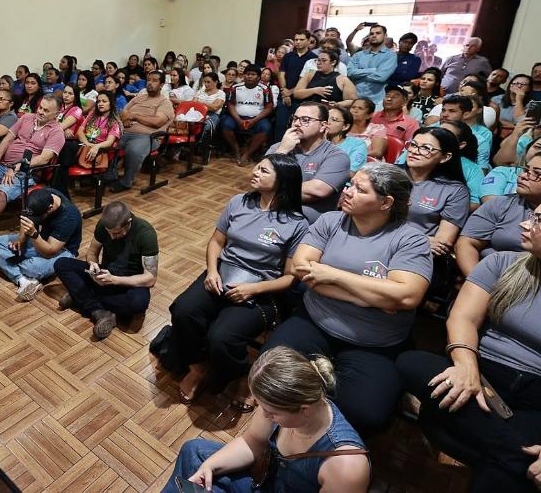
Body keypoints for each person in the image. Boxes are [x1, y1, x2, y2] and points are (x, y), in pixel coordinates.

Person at [262, 163, 433, 434]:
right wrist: (373, 297)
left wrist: (332, 275)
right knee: (270, 368)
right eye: (350, 185)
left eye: (360, 190)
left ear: (386, 202)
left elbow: (406, 296)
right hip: (315, 320)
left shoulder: (410, 239)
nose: (348, 192)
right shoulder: (331, 221)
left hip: (375, 342)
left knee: (366, 414)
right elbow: (302, 270)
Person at [397, 210, 541, 493]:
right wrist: (466, 365)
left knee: (499, 475)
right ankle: (520, 457)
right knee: (411, 363)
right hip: (484, 375)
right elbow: (463, 317)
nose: (524, 223)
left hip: (536, 395)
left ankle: (510, 455)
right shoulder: (502, 263)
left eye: (538, 220)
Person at [153, 154, 308, 403]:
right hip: (223, 273)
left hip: (261, 288)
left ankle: (241, 374)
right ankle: (197, 367)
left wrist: (253, 289)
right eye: (258, 167)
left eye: (264, 171)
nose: (255, 172)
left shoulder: (296, 224)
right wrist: (212, 271)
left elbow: (290, 278)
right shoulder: (239, 202)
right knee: (184, 310)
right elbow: (216, 242)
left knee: (222, 336)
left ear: (283, 181)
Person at [163, 347, 369, 493]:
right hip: (264, 480)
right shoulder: (285, 406)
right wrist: (210, 467)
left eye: (271, 412)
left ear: (304, 409)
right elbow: (252, 441)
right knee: (194, 452)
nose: (264, 414)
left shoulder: (346, 467)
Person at [0, 94, 64, 252]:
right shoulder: (26, 118)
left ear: (57, 114)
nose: (41, 112)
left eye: (46, 110)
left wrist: (16, 167)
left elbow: (44, 158)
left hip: (27, 172)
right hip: (3, 165)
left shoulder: (57, 132)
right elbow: (7, 140)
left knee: (2, 194)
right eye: (40, 107)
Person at [54, 201, 159, 340]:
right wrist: (93, 265)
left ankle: (81, 297)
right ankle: (99, 310)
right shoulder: (103, 225)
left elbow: (150, 278)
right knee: (61, 264)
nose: (112, 237)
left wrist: (115, 280)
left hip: (129, 283)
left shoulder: (146, 234)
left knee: (138, 303)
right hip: (105, 274)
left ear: (128, 222)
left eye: (117, 233)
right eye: (109, 233)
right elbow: (92, 252)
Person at [0, 187, 82, 301]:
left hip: (62, 250)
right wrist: (21, 240)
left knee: (30, 268)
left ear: (50, 209)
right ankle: (23, 280)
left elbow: (50, 251)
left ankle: (3, 258)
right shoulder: (39, 196)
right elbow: (27, 221)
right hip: (41, 239)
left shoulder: (69, 216)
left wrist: (34, 234)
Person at [455, 154, 541, 277]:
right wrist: (478, 281)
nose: (523, 176)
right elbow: (466, 244)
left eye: (537, 174)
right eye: (526, 170)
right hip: (491, 277)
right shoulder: (500, 204)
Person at [266, 102, 351, 224]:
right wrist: (282, 151)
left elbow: (317, 191)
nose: (296, 123)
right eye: (295, 118)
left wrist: (271, 189)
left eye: (305, 120)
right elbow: (260, 177)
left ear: (323, 126)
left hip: (308, 222)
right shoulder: (279, 148)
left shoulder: (337, 156)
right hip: (271, 211)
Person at [403, 128, 470, 258]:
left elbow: (441, 243)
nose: (414, 151)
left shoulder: (455, 190)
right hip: (378, 242)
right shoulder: (388, 174)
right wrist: (422, 240)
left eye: (426, 148)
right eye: (413, 144)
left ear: (445, 157)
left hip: (417, 255)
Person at [109, 70, 174, 191]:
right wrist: (125, 118)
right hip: (124, 131)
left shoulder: (165, 103)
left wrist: (135, 116)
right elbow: (124, 111)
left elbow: (157, 122)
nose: (150, 83)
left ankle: (126, 181)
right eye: (148, 80)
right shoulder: (139, 98)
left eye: (154, 81)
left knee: (134, 150)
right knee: (106, 142)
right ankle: (109, 174)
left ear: (161, 85)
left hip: (148, 137)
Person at [222, 66, 274, 166]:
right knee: (225, 124)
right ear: (243, 75)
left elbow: (269, 107)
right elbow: (230, 105)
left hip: (257, 118)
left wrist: (253, 120)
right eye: (247, 74)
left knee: (266, 127)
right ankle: (236, 151)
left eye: (253, 74)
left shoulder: (265, 89)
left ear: (258, 77)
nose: (249, 76)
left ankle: (247, 154)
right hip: (237, 117)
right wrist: (238, 120)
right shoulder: (235, 87)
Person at [347, 23, 397, 107]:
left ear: (385, 36)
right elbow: (350, 73)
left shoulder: (390, 55)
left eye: (378, 33)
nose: (374, 35)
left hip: (376, 101)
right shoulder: (358, 55)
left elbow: (381, 77)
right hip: (355, 99)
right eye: (371, 33)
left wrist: (358, 76)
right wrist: (373, 70)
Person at [483, 133, 541, 201]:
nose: (539, 152)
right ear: (527, 149)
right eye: (538, 147)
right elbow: (492, 204)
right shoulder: (502, 172)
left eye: (537, 172)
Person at [292, 50, 356, 107]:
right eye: (318, 60)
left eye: (324, 60)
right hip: (309, 109)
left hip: (331, 112)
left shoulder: (343, 80)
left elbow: (352, 101)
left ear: (333, 62)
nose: (319, 63)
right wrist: (314, 90)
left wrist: (337, 104)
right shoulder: (310, 74)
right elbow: (296, 94)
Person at [76, 92, 121, 166]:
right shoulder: (92, 115)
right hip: (84, 144)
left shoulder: (114, 122)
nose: (100, 104)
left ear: (111, 103)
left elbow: (110, 142)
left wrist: (97, 146)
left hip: (99, 149)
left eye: (104, 101)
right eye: (99, 101)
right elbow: (80, 131)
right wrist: (87, 143)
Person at [326, 105, 367, 176]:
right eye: (326, 118)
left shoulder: (357, 144)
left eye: (334, 120)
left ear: (345, 126)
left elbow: (351, 173)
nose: (327, 122)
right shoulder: (314, 140)